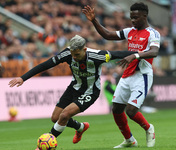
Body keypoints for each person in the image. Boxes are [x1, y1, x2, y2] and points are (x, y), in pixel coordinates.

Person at [8, 35, 137, 149]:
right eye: (72, 54)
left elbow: (119, 53)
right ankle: (80, 127)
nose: (74, 57)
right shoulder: (68, 54)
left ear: (84, 50)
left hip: (90, 91)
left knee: (64, 116)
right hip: (74, 88)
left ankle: (43, 146)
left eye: (77, 54)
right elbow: (45, 65)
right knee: (55, 118)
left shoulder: (98, 56)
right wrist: (22, 78)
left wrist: (140, 54)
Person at [83, 2, 160, 148]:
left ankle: (149, 128)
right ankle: (129, 140)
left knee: (131, 111)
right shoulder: (130, 31)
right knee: (117, 109)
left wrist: (135, 55)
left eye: (136, 17)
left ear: (144, 16)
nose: (133, 20)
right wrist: (94, 20)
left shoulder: (153, 33)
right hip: (128, 74)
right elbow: (108, 35)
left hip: (142, 75)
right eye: (131, 17)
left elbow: (154, 52)